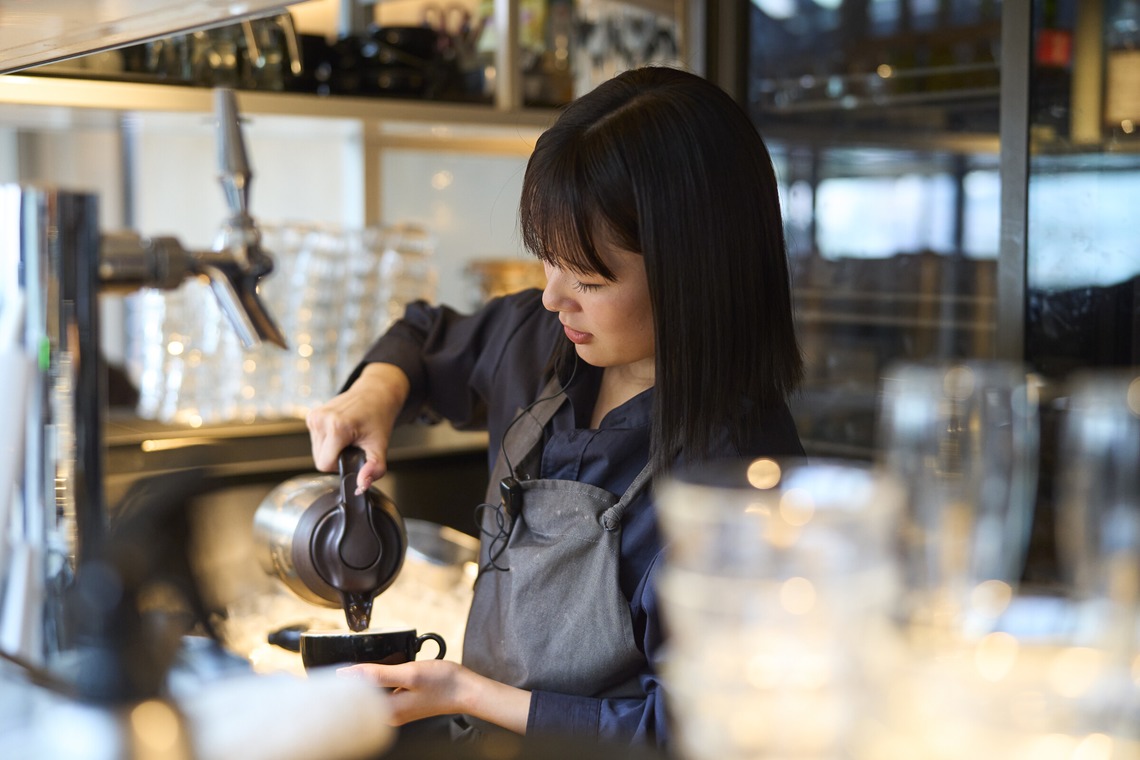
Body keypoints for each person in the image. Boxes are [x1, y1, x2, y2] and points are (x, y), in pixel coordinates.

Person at [305, 65, 805, 749]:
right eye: (547, 259)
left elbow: (688, 730)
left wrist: (465, 692)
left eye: (590, 279)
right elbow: (422, 338)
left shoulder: (739, 474)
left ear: (693, 276)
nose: (552, 297)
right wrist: (374, 392)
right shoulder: (546, 341)